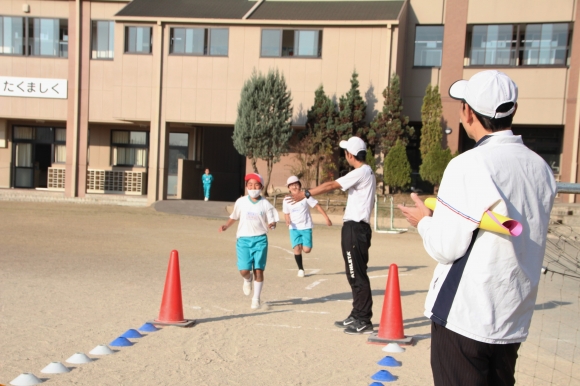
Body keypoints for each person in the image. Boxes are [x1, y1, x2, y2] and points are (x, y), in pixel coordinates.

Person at [399, 70, 556, 386]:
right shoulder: (540, 168)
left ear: (468, 112)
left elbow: (446, 247)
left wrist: (424, 222)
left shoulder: (469, 164)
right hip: (512, 313)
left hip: (466, 315)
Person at [288, 136, 376, 335]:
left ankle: (364, 319)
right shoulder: (365, 172)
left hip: (356, 229)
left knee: (357, 274)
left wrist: (306, 193)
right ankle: (357, 313)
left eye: (346, 151)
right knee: (352, 273)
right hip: (354, 229)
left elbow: (330, 185)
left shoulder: (360, 172)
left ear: (350, 155)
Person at [219, 173, 279, 309]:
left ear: (261, 187)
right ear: (246, 186)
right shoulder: (241, 202)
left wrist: (272, 224)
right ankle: (247, 279)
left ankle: (256, 298)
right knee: (244, 270)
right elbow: (234, 216)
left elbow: (272, 220)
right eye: (250, 184)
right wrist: (226, 226)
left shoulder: (265, 204)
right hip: (243, 240)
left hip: (260, 240)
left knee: (259, 270)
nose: (253, 187)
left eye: (256, 185)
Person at [283, 175, 332, 278]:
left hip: (306, 227)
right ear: (288, 188)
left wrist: (326, 218)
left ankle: (303, 245)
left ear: (300, 186)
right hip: (294, 228)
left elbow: (317, 206)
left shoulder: (306, 196)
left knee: (306, 250)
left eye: (296, 184)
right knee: (296, 249)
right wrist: (287, 220)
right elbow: (286, 213)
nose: (294, 187)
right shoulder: (286, 199)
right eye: (292, 185)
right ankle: (300, 269)